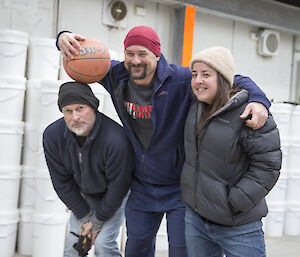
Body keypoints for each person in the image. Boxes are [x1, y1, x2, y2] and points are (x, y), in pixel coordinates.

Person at [56, 26, 271, 257]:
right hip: (142, 185)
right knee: (136, 250)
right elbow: (83, 57)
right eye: (129, 53)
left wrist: (259, 101)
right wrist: (62, 38)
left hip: (179, 187)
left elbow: (234, 79)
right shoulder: (117, 75)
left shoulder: (180, 79)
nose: (135, 60)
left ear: (157, 55)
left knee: (180, 251)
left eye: (142, 53)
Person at [181, 46, 282, 257]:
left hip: (238, 226)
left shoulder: (249, 112)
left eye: (206, 74)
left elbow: (268, 165)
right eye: (194, 74)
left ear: (223, 78)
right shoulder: (196, 105)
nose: (198, 80)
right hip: (197, 219)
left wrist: (234, 201)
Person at [42, 81, 134, 257]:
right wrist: (85, 217)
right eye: (68, 111)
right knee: (74, 246)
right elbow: (62, 182)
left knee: (103, 245)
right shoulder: (53, 136)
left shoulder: (116, 139)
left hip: (116, 195)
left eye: (80, 108)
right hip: (84, 194)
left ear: (93, 107)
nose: (75, 117)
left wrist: (97, 222)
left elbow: (119, 185)